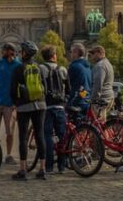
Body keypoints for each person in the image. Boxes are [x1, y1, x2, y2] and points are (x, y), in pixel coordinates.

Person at [10, 41, 47, 180]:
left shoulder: (19, 68)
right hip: (40, 104)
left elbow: (12, 90)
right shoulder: (40, 67)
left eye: (22, 51)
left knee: (23, 137)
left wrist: (16, 103)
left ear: (25, 53)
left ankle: (22, 170)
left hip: (24, 106)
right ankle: (42, 169)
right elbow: (45, 87)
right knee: (40, 136)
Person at [39, 45, 69, 174]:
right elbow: (68, 88)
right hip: (60, 106)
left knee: (47, 136)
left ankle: (49, 166)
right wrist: (65, 100)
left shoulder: (40, 69)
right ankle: (62, 166)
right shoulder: (62, 69)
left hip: (47, 106)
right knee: (62, 136)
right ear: (54, 56)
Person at [0, 42, 21, 165]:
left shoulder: (18, 66)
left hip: (10, 104)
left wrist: (17, 102)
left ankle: (9, 155)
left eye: (4, 50)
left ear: (11, 51)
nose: (2, 52)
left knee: (10, 132)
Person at [88, 45, 114, 120]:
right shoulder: (108, 64)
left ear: (99, 53)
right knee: (103, 121)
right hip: (109, 96)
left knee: (98, 123)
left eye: (93, 53)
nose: (91, 56)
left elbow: (98, 84)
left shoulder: (100, 66)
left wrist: (93, 99)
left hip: (101, 99)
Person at [68, 42, 92, 111]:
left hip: (76, 101)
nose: (70, 54)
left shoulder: (74, 66)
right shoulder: (88, 67)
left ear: (76, 52)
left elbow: (68, 84)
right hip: (86, 99)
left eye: (71, 52)